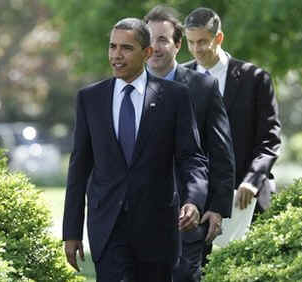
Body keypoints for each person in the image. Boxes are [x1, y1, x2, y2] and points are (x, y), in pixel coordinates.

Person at [62, 18, 209, 282]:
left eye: (126, 48)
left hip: (157, 230)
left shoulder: (175, 97)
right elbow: (79, 167)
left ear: (147, 53)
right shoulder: (90, 99)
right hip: (107, 228)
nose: (117, 55)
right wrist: (71, 232)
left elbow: (192, 157)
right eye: (113, 46)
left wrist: (193, 200)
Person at [183, 7, 282, 265]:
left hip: (246, 198)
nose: (196, 49)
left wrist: (252, 180)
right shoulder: (178, 80)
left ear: (219, 38)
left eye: (203, 41)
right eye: (191, 43)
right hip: (195, 203)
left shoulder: (255, 79)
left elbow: (270, 140)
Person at [144, 6, 235, 282]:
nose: (155, 47)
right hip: (138, 217)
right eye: (148, 39)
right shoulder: (126, 90)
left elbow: (221, 153)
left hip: (189, 216)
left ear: (177, 44)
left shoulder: (203, 89)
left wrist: (217, 208)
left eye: (162, 39)